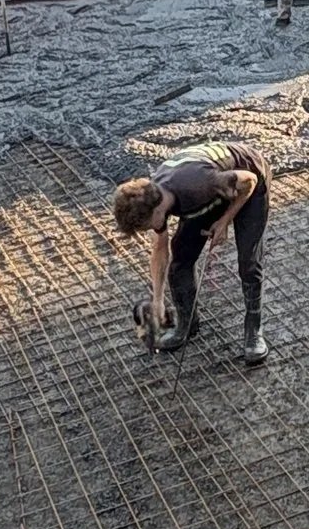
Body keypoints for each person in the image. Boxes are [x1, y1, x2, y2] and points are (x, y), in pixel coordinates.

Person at [111, 141, 269, 363]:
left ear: (157, 211)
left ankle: (254, 331)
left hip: (249, 182)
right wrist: (158, 299)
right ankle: (186, 325)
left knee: (249, 262)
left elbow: (248, 181)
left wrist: (224, 221)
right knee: (180, 258)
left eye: (146, 226)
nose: (149, 230)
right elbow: (160, 248)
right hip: (210, 191)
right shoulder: (153, 195)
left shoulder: (199, 184)